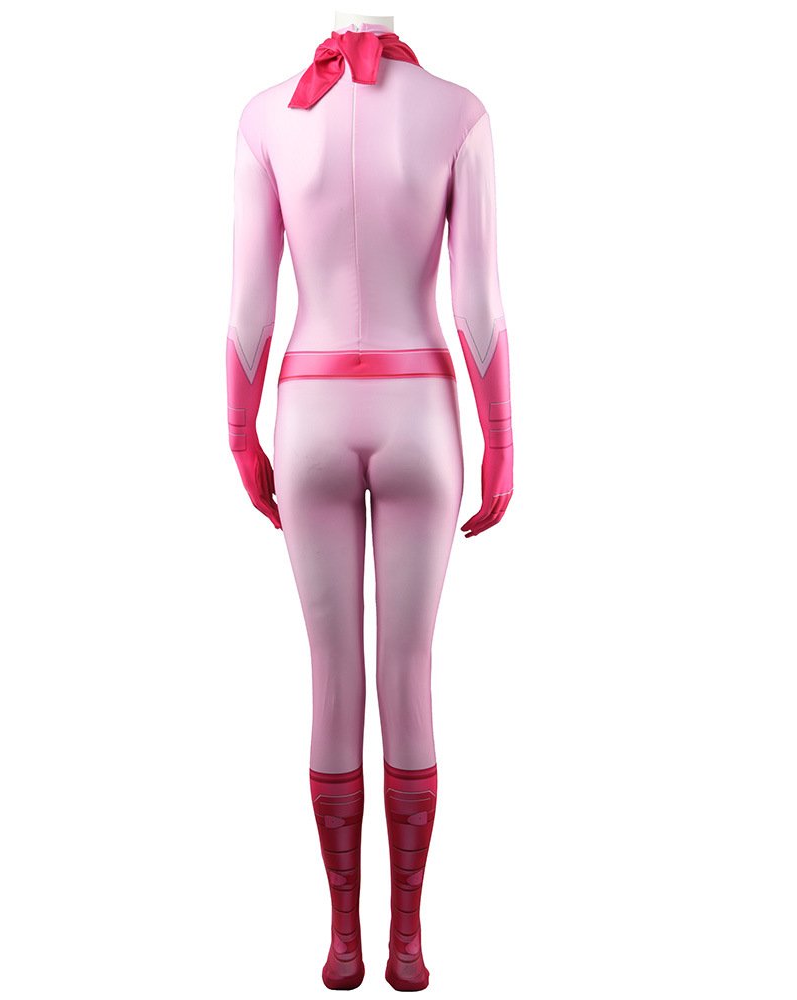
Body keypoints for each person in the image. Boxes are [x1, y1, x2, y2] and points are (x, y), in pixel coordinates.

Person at [226, 18, 513, 991]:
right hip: (419, 406)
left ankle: (343, 941)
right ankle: (407, 944)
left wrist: (240, 433)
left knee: (332, 676)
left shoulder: (266, 117)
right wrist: (502, 439)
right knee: (409, 669)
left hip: (307, 406)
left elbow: (248, 311)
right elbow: (478, 308)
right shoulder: (459, 114)